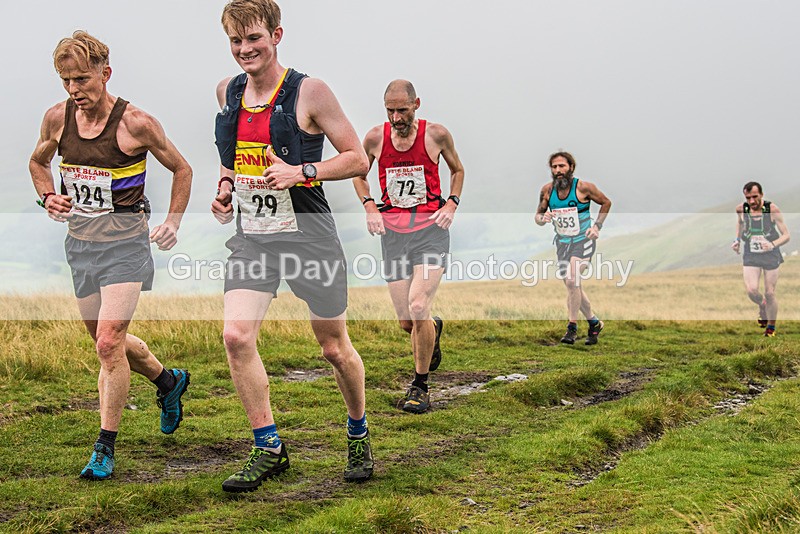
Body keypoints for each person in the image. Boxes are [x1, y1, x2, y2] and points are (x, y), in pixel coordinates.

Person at [211, 0, 373, 491]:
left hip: (309, 237)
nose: (245, 49)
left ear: (277, 36)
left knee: (332, 347)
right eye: (236, 41)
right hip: (254, 238)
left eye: (254, 38)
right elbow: (233, 159)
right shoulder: (228, 91)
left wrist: (302, 171)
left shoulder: (309, 91)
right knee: (236, 336)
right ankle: (269, 446)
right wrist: (224, 188)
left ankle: (358, 432)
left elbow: (357, 158)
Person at [29, 31, 193, 480]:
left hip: (126, 245)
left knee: (107, 343)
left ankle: (104, 447)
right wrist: (48, 198)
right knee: (108, 341)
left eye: (81, 79)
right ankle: (168, 381)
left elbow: (182, 168)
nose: (73, 90)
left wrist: (173, 221)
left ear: (106, 73)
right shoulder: (57, 119)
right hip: (81, 246)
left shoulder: (135, 123)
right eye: (65, 80)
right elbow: (37, 163)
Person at [354, 80, 465, 414]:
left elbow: (457, 170)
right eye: (390, 110)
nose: (396, 117)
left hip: (431, 231)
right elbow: (359, 173)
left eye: (402, 109)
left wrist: (451, 204)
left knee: (418, 307)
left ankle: (420, 386)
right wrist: (370, 206)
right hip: (394, 236)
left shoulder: (437, 135)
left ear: (417, 103)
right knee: (408, 321)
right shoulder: (375, 138)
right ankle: (433, 329)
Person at [535, 151, 611, 345]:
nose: (558, 171)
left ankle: (572, 328)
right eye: (554, 167)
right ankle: (594, 323)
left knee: (571, 280)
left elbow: (606, 202)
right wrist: (543, 219)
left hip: (583, 241)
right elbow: (538, 216)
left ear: (571, 168)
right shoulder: (547, 190)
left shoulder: (584, 187)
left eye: (562, 166)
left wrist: (597, 226)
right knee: (573, 286)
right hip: (562, 243)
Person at [732, 182, 790, 336]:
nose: (752, 201)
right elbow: (740, 223)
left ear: (762, 195)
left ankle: (770, 328)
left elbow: (786, 235)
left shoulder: (772, 210)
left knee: (770, 293)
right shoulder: (741, 209)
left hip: (770, 254)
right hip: (751, 253)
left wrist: (772, 244)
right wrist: (737, 240)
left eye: (755, 197)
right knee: (752, 290)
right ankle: (762, 304)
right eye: (748, 197)